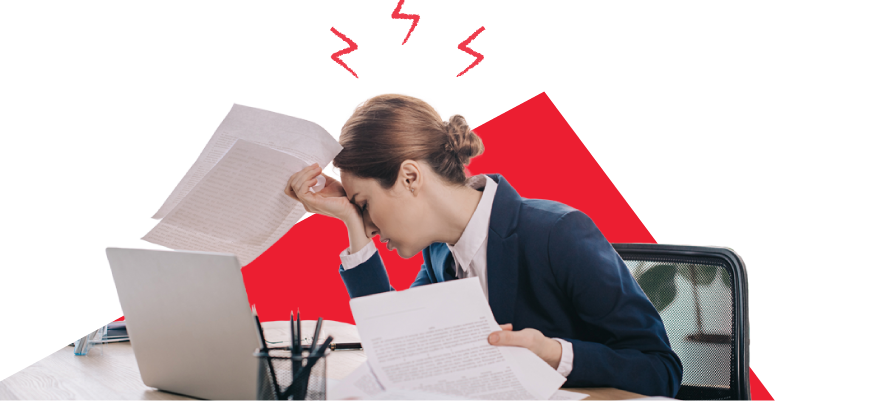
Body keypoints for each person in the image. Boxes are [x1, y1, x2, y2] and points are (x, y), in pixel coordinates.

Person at [284, 93, 682, 398]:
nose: (370, 227)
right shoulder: (440, 252)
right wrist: (349, 218)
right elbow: (398, 346)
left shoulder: (558, 234)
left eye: (365, 205)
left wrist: (554, 353)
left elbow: (661, 370)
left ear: (409, 177)